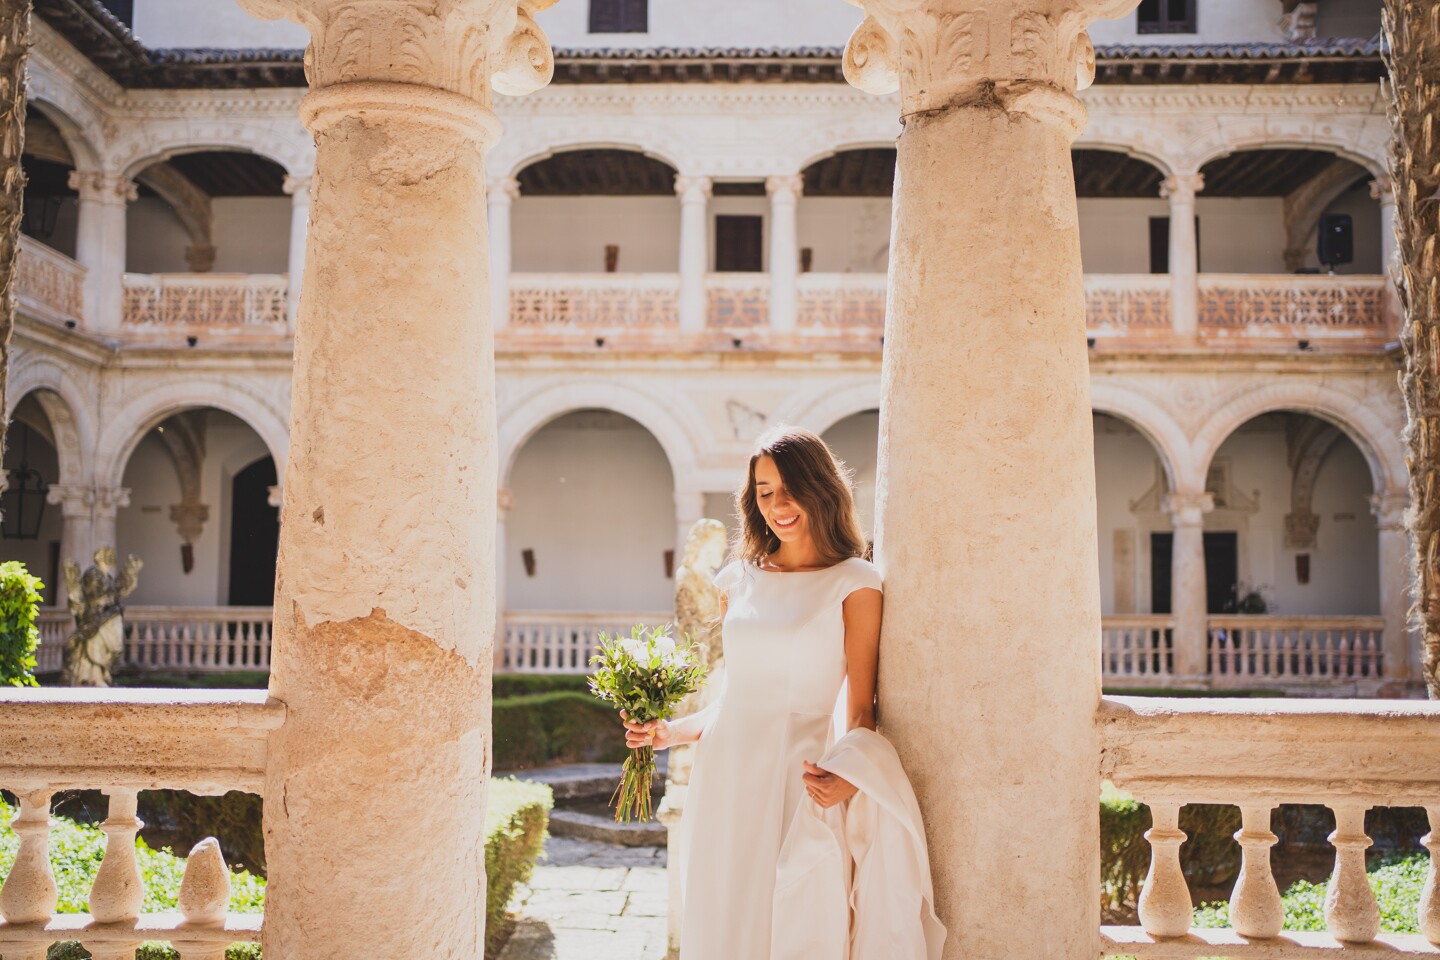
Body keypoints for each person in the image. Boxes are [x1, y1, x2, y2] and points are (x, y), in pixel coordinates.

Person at [622, 425, 885, 959]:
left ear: (822, 488)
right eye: (765, 492)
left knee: (795, 916)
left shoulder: (856, 582)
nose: (778, 505)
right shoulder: (735, 581)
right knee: (723, 909)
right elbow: (735, 697)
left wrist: (851, 777)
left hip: (799, 774)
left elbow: (862, 708)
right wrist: (669, 732)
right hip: (725, 772)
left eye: (791, 489)